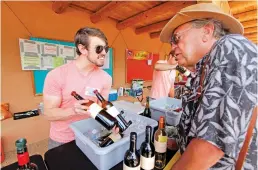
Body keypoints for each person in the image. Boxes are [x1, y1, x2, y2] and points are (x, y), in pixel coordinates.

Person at [159, 3, 257, 170]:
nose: (172, 48)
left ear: (206, 31)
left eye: (176, 38)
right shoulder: (203, 69)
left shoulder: (229, 47)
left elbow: (209, 146)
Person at [43, 27, 112, 150]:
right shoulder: (56, 75)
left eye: (105, 48)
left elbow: (102, 109)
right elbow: (48, 113)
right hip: (63, 140)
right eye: (99, 48)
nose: (104, 53)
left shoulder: (106, 78)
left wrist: (112, 123)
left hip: (92, 137)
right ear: (82, 49)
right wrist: (73, 111)